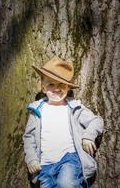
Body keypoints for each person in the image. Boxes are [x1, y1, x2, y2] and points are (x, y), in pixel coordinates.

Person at [22, 56, 104, 188]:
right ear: (43, 88)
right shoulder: (37, 110)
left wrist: (88, 136)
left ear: (67, 87)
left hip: (69, 159)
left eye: (61, 85)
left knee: (67, 184)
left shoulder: (74, 107)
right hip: (44, 165)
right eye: (51, 85)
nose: (56, 89)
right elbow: (28, 137)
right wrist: (31, 158)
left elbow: (96, 120)